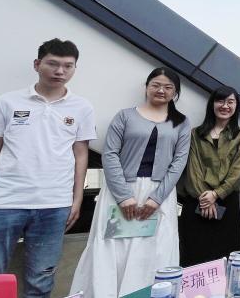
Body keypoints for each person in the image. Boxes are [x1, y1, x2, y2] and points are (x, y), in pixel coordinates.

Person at [0, 38, 96, 298]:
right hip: (1, 203)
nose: (60, 71)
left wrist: (76, 199)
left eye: (68, 66)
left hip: (54, 205)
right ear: (37, 64)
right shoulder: (7, 102)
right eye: (53, 64)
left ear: (74, 69)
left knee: (41, 281)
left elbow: (81, 155)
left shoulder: (82, 107)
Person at [71, 67, 191, 297]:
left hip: (159, 194)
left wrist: (156, 199)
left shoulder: (181, 123)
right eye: (156, 85)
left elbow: (179, 162)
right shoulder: (125, 116)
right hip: (120, 191)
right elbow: (110, 154)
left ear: (175, 93)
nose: (161, 90)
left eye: (168, 87)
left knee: (154, 249)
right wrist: (124, 196)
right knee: (113, 248)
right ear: (146, 87)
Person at [177, 86, 240, 266]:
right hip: (197, 201)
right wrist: (205, 198)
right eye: (220, 101)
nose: (225, 106)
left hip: (227, 200)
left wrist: (216, 194)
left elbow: (237, 171)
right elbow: (193, 168)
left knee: (225, 254)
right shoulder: (195, 133)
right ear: (212, 104)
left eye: (230, 102)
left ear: (236, 106)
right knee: (194, 252)